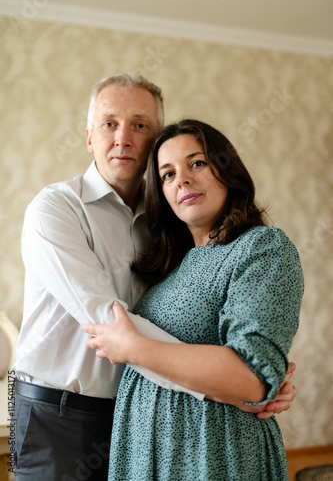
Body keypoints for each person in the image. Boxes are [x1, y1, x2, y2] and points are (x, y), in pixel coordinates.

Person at [14, 74, 296, 481]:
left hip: (140, 418)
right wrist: (240, 381)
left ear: (153, 142)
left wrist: (254, 371)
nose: (124, 137)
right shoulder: (56, 209)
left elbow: (217, 318)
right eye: (110, 123)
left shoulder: (172, 225)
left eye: (140, 125)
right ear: (89, 137)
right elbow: (111, 325)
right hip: (61, 414)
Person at [82, 119, 304, 481]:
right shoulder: (173, 264)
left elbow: (253, 379)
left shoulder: (261, 247)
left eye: (196, 163)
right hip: (146, 450)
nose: (181, 179)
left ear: (226, 169)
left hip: (212, 451)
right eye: (167, 175)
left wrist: (133, 348)